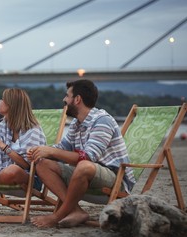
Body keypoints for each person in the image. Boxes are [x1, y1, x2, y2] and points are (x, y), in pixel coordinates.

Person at [28, 79, 136, 228]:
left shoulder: (102, 121)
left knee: (84, 165)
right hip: (86, 172)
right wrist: (41, 151)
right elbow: (63, 147)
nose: (64, 99)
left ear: (77, 99)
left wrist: (52, 151)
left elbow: (88, 157)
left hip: (115, 178)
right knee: (42, 163)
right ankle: (76, 211)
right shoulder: (77, 123)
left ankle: (58, 215)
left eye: (67, 96)